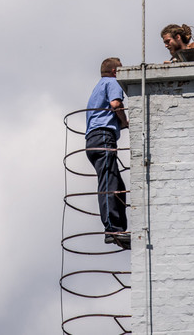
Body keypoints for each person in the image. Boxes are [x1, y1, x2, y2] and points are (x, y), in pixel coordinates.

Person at [85, 57, 130, 249]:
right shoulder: (112, 83)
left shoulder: (98, 87)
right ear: (114, 72)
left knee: (116, 183)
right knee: (109, 182)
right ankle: (112, 229)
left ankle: (118, 227)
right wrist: (124, 122)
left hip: (93, 139)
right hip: (103, 136)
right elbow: (115, 104)